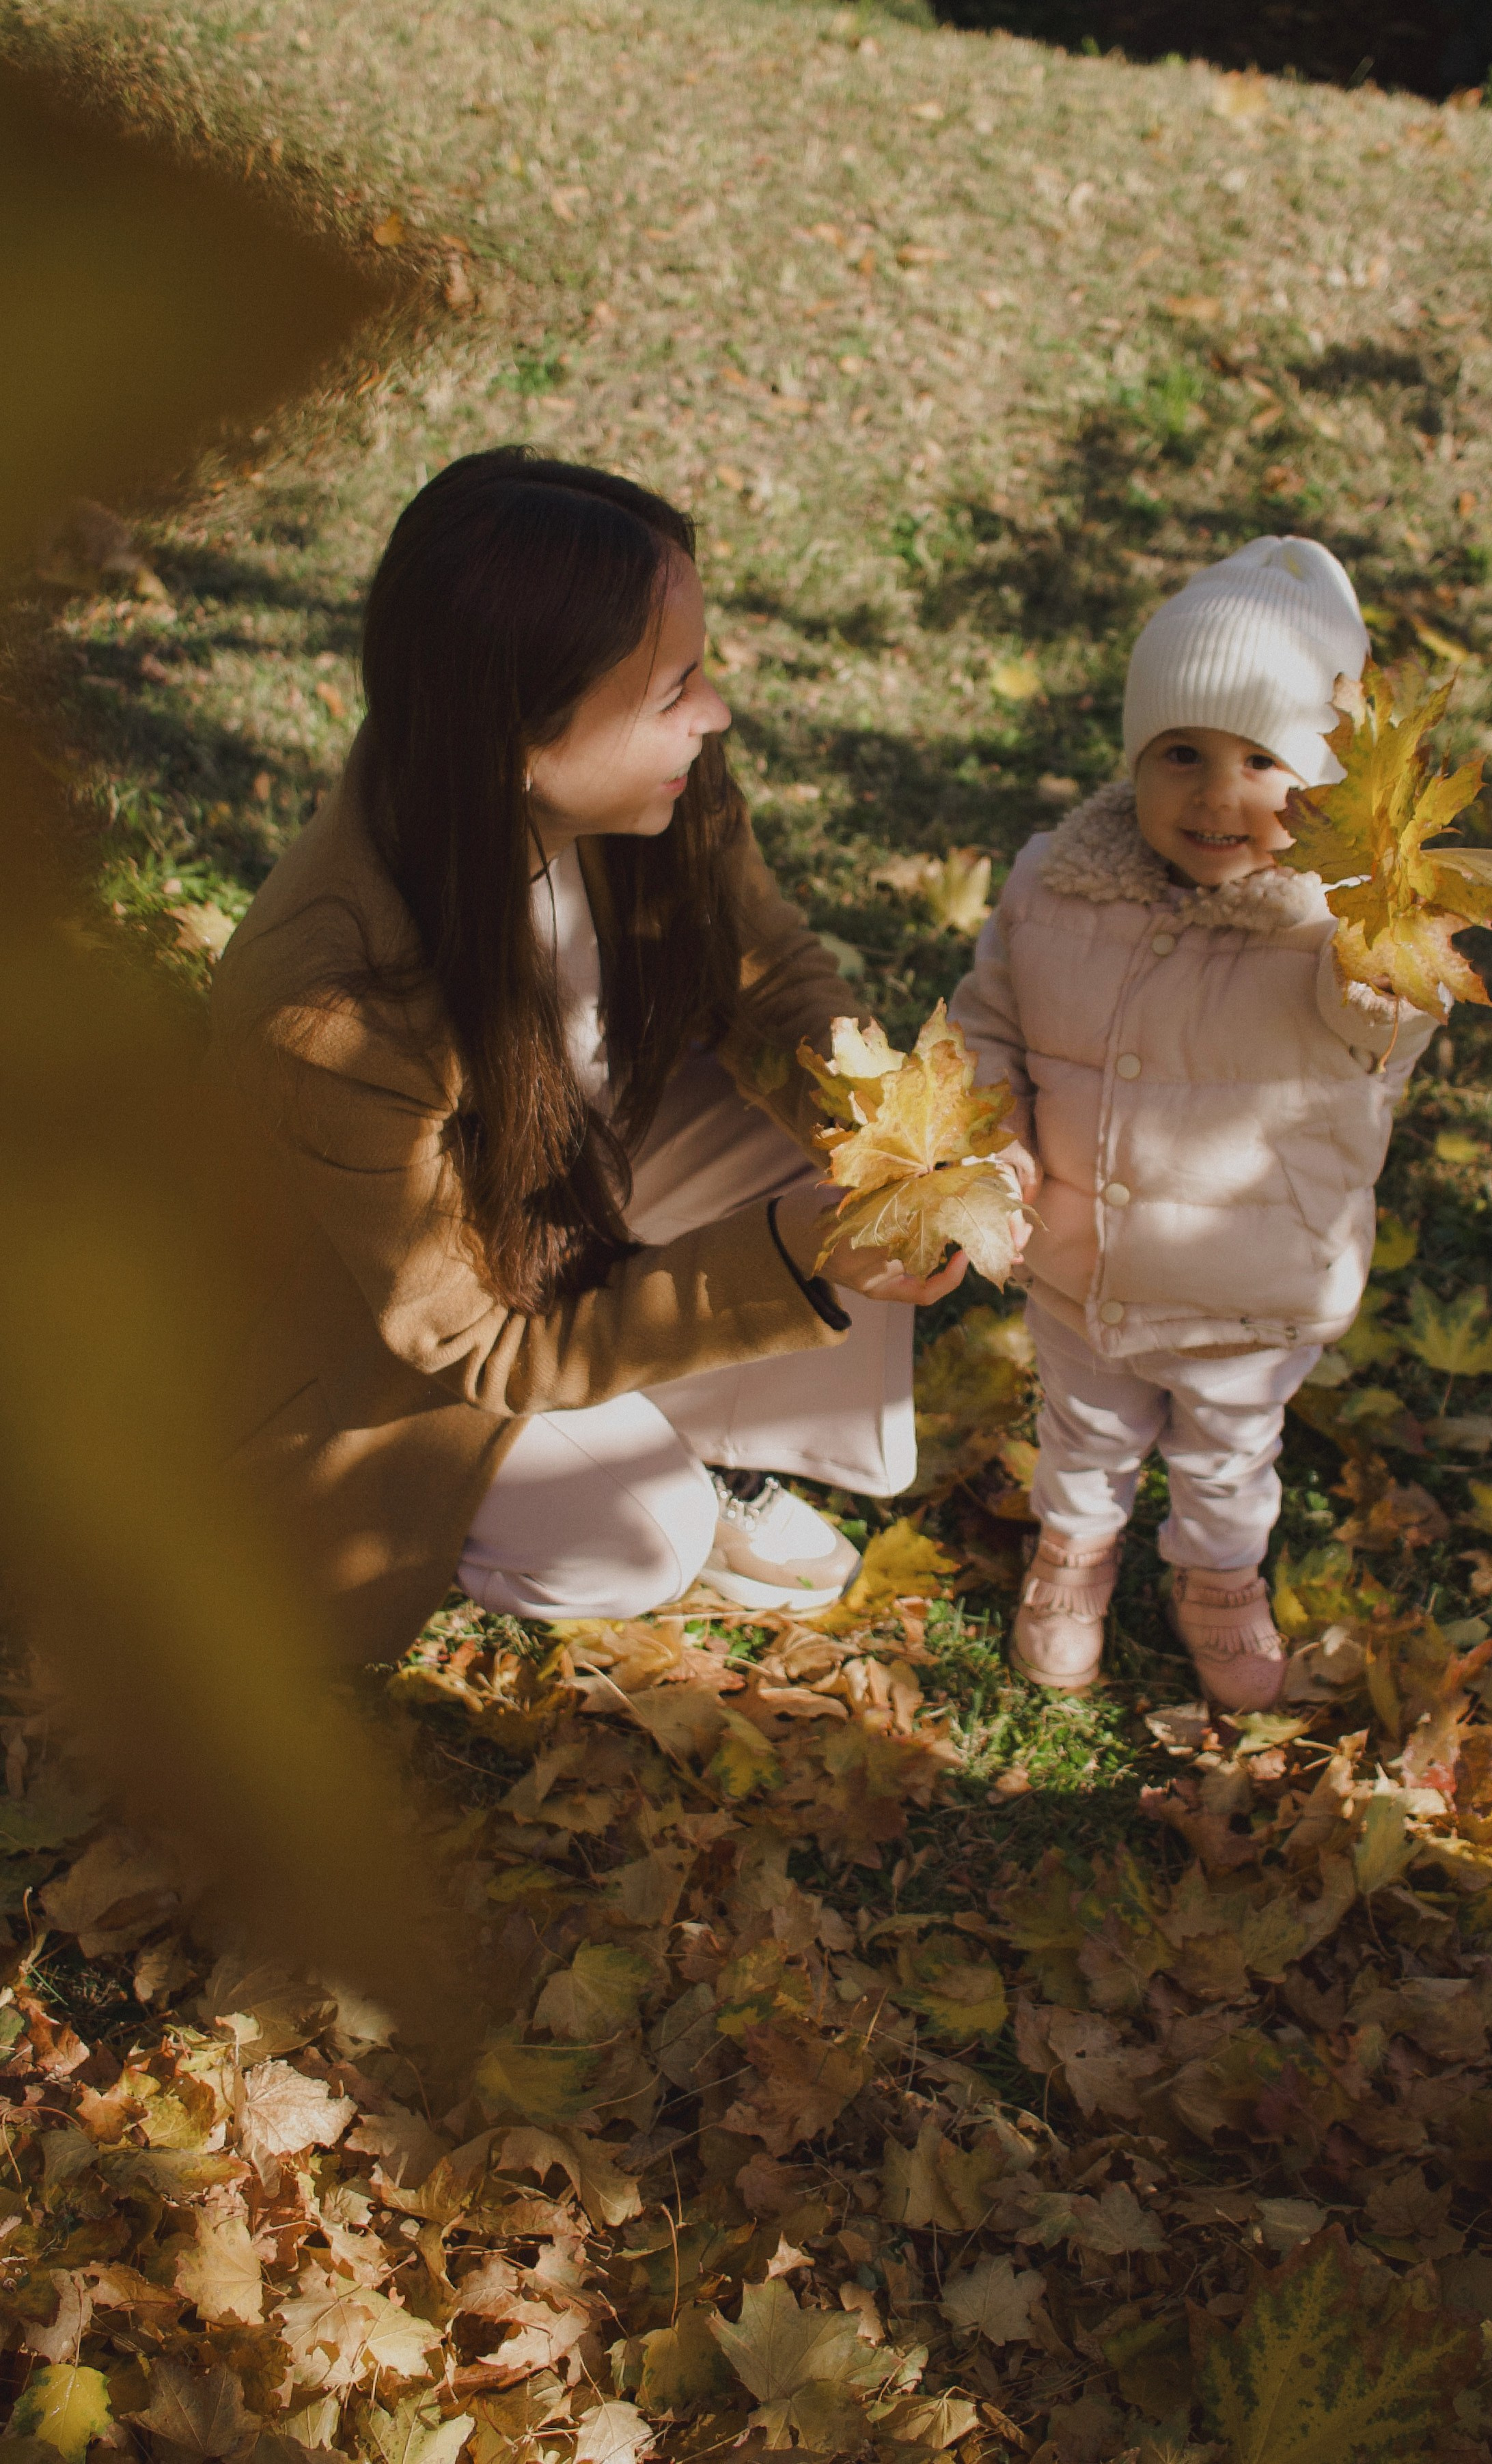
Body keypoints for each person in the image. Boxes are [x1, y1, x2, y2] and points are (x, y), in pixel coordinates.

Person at [210, 449, 975, 1665]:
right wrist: (801, 1252)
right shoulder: (334, 1008)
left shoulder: (645, 790)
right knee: (636, 1540)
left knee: (834, 1145)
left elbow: (764, 971)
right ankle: (568, 1484)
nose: (713, 712)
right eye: (675, 688)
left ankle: (659, 1409)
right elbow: (480, 1343)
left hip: (565, 1178)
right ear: (518, 732)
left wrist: (918, 1142)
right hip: (386, 1353)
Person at [951, 536, 1439, 1710]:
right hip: (1078, 1263)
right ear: (1133, 761)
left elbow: (1384, 1025)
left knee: (1226, 1456)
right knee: (1081, 1433)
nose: (1217, 795)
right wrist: (993, 1122)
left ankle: (1216, 1576)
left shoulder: (1336, 928)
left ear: (1325, 785)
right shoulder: (1053, 885)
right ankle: (1075, 1552)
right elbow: (986, 1018)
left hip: (1248, 1283)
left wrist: (1388, 960)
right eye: (1180, 754)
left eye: (1264, 762)